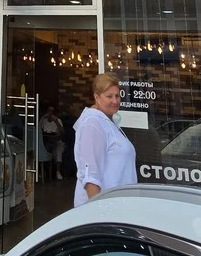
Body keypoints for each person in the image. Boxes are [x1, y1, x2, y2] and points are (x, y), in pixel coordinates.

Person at [73, 73, 137, 204]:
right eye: (109, 96)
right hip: (105, 208)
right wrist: (98, 211)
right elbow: (91, 176)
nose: (115, 101)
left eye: (117, 96)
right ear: (96, 97)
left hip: (118, 206)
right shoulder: (92, 124)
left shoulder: (108, 122)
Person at [39, 105, 64, 181]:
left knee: (58, 150)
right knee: (43, 148)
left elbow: (62, 132)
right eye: (49, 111)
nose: (50, 113)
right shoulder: (44, 120)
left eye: (52, 111)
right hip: (46, 141)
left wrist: (56, 121)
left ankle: (58, 171)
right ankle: (42, 171)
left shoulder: (58, 120)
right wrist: (43, 117)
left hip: (56, 141)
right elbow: (38, 129)